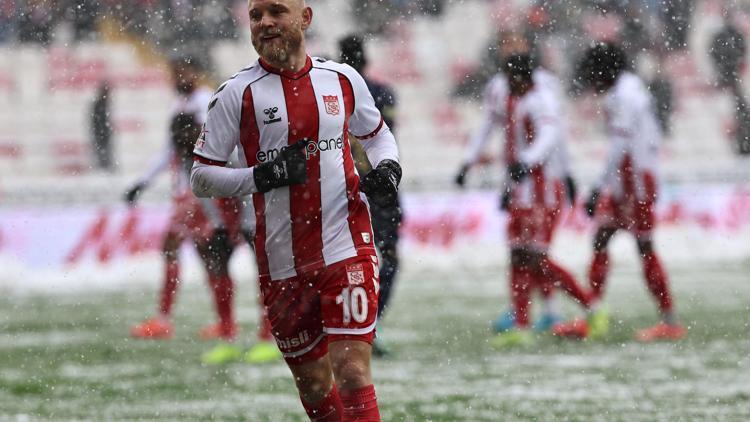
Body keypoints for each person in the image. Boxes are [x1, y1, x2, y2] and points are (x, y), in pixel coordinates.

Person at [190, 0, 401, 420]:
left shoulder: (341, 79)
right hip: (282, 260)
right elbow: (201, 177)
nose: (265, 22)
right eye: (256, 16)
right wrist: (262, 176)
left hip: (346, 245)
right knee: (315, 384)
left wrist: (389, 168)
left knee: (353, 372)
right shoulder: (236, 93)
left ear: (305, 18)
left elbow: (377, 136)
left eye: (276, 12)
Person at [454, 31, 592, 339]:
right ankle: (522, 322)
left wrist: (561, 172)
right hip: (519, 187)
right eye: (506, 44)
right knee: (518, 253)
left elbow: (551, 136)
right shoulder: (501, 90)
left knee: (536, 257)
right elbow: (493, 131)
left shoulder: (543, 93)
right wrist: (470, 162)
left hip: (542, 188)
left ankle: (586, 306)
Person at [554, 43, 686, 342]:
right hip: (630, 180)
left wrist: (599, 187)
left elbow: (620, 145)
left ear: (605, 70)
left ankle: (669, 320)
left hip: (635, 182)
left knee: (643, 246)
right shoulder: (628, 90)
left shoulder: (624, 97)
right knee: (602, 238)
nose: (590, 80)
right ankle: (594, 314)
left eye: (592, 73)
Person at [125, 57, 238, 341]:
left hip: (199, 189)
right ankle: (225, 322)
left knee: (174, 245)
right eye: (175, 73)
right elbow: (168, 150)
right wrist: (143, 182)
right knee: (207, 254)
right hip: (185, 188)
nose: (178, 78)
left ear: (196, 73)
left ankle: (165, 319)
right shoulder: (178, 105)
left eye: (183, 72)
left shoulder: (205, 101)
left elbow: (221, 141)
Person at [339, 33, 402, 357]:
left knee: (348, 260)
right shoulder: (380, 92)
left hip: (343, 187)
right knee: (385, 259)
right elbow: (385, 137)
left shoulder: (332, 89)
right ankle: (368, 326)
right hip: (377, 188)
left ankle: (353, 326)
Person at [90, 80, 114, 171]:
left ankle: (105, 168)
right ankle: (104, 169)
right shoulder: (100, 104)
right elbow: (98, 121)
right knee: (102, 154)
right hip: (101, 134)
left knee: (104, 154)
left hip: (103, 134)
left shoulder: (103, 104)